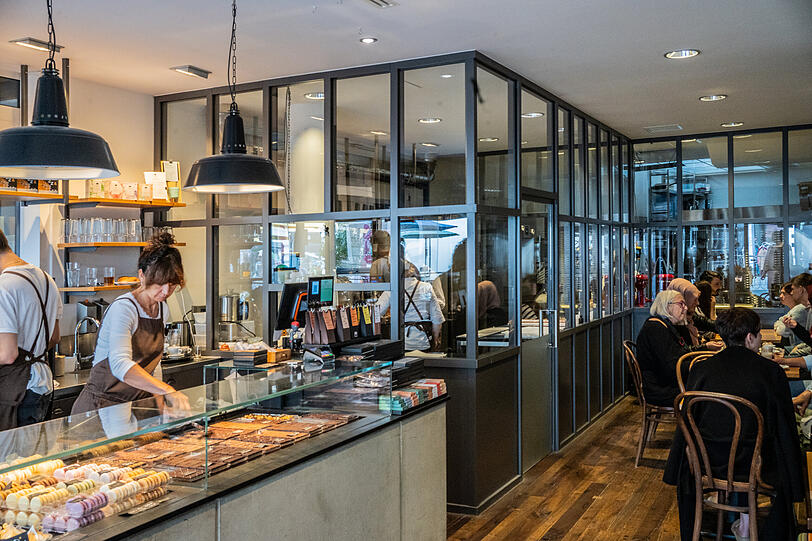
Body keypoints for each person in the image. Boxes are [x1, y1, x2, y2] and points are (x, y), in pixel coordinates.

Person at [664, 307, 803, 541]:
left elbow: (689, 418)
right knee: (779, 447)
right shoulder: (770, 371)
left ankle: (732, 523)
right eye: (758, 334)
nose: (760, 338)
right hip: (753, 465)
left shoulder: (701, 368)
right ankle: (759, 527)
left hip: (707, 462)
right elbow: (783, 425)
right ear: (749, 337)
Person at [71, 233, 189, 436]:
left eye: (171, 284)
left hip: (132, 409)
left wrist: (161, 407)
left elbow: (154, 365)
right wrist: (167, 390)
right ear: (142, 275)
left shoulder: (162, 309)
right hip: (100, 409)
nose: (165, 291)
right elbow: (120, 364)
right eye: (159, 283)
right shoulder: (124, 308)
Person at [0, 228, 62, 430]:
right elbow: (54, 337)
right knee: (35, 449)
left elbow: (7, 354)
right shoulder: (46, 279)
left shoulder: (4, 286)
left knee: (13, 451)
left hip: (17, 389)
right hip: (41, 385)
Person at [635, 290, 699, 408]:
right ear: (666, 306)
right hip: (660, 389)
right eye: (681, 304)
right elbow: (671, 367)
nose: (685, 308)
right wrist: (697, 365)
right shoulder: (656, 328)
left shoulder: (663, 325)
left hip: (666, 383)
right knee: (707, 391)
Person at [376, 260, 444, 352]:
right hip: (422, 342)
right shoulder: (426, 287)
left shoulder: (391, 289)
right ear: (412, 269)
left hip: (400, 343)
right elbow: (437, 318)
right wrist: (435, 340)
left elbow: (376, 314)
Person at [667, 278, 715, 346]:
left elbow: (707, 323)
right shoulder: (673, 322)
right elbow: (682, 350)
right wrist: (705, 346)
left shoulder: (687, 316)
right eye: (694, 299)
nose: (697, 303)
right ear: (683, 299)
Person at [774, 281, 810, 350]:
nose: (780, 296)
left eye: (784, 293)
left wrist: (779, 325)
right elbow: (779, 321)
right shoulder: (794, 309)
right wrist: (779, 323)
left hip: (799, 348)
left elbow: (782, 330)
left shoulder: (800, 309)